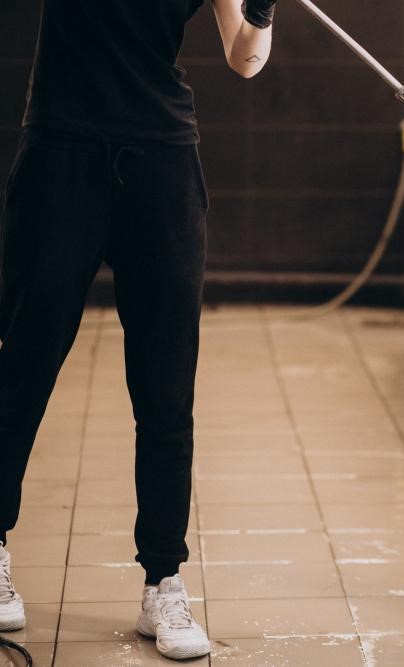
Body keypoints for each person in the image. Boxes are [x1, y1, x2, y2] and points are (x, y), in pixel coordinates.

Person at [0, 0, 279, 659]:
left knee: (165, 387)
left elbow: (244, 57)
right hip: (61, 154)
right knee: (23, 368)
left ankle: (164, 579)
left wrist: (263, 9)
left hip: (161, 162)